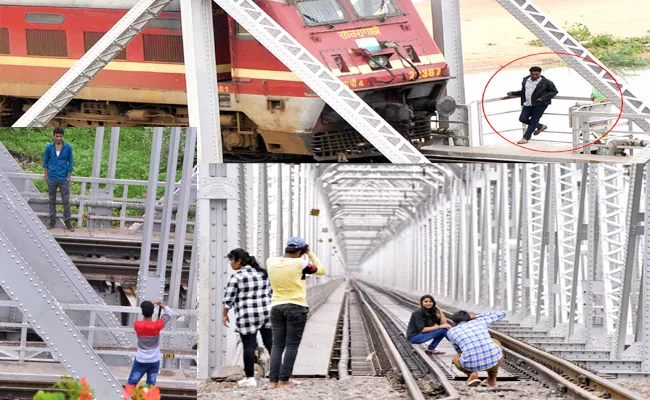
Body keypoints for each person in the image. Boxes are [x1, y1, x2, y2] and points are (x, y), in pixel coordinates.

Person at [266, 237, 326, 389]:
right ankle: (284, 380)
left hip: (276, 307)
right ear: (299, 252)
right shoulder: (300, 263)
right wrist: (310, 253)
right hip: (296, 307)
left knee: (277, 345)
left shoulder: (270, 261)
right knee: (292, 345)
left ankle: (272, 381)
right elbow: (321, 270)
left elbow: (283, 262)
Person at [222, 248, 273, 388]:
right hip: (266, 312)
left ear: (238, 261)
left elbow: (228, 299)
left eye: (231, 260)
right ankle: (277, 375)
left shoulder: (236, 276)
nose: (231, 264)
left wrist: (224, 314)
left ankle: (250, 379)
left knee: (249, 346)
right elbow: (270, 293)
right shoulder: (262, 273)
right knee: (270, 343)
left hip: (247, 315)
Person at [446, 310, 506, 387]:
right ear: (469, 319)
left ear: (454, 322)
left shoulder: (451, 332)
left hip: (470, 364)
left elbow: (458, 350)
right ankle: (492, 379)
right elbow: (502, 313)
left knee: (456, 358)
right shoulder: (480, 321)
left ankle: (472, 374)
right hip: (493, 361)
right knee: (495, 342)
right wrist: (475, 316)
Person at [126, 299, 173, 389]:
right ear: (152, 312)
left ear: (142, 312)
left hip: (141, 360)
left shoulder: (137, 325)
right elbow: (169, 312)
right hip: (154, 361)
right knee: (150, 387)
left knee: (131, 385)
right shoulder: (158, 325)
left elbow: (145, 324)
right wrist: (158, 303)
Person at [507, 66, 558, 145]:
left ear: (540, 73)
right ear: (530, 73)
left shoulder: (546, 82)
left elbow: (554, 91)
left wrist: (543, 98)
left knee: (534, 120)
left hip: (540, 104)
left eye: (537, 74)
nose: (535, 76)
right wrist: (513, 93)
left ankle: (526, 137)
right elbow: (524, 91)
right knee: (522, 118)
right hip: (528, 103)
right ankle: (540, 126)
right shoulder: (525, 80)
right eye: (533, 74)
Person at [43, 128, 74, 230]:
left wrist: (68, 176)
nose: (58, 138)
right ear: (53, 136)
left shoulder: (68, 147)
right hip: (52, 177)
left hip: (63, 178)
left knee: (66, 201)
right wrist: (46, 176)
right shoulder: (49, 147)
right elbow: (45, 162)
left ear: (63, 136)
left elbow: (71, 161)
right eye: (57, 136)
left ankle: (67, 222)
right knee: (52, 200)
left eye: (60, 136)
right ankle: (52, 221)